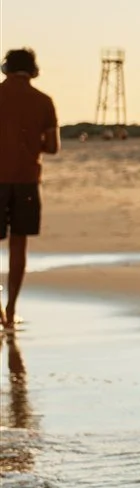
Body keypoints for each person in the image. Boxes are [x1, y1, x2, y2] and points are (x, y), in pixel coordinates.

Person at [0, 48, 59, 332]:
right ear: (33, 70)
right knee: (19, 244)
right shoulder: (43, 101)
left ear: (5, 68)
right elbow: (53, 147)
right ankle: (11, 309)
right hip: (26, 178)